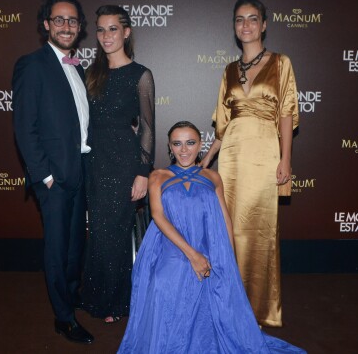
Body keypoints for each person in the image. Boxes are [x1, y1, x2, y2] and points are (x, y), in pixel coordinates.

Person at [118, 121, 305, 353]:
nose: (183, 149)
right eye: (177, 144)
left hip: (208, 245)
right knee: (163, 283)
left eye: (190, 143)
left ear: (201, 145)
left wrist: (229, 261)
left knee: (214, 285)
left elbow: (225, 219)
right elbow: (158, 216)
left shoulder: (213, 177)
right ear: (169, 147)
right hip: (170, 245)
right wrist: (193, 255)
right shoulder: (158, 175)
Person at [200, 0, 300, 328]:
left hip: (264, 156)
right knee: (231, 233)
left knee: (259, 232)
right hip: (232, 160)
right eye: (240, 19)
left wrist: (286, 158)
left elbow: (286, 114)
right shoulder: (229, 70)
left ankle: (259, 310)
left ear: (264, 24)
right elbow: (222, 125)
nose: (246, 25)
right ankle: (230, 308)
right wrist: (206, 161)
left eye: (252, 18)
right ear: (234, 26)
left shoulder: (281, 63)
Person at [12, 0, 93, 344]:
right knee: (58, 250)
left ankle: (71, 296)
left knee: (75, 246)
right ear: (46, 24)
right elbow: (24, 128)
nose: (66, 26)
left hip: (79, 171)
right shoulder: (32, 65)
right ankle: (63, 318)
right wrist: (44, 176)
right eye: (59, 20)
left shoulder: (78, 67)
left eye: (72, 21)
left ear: (79, 27)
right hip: (54, 179)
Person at [79, 5, 155, 324]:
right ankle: (95, 296)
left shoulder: (141, 74)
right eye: (101, 29)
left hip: (124, 161)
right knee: (97, 232)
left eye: (113, 28)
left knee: (118, 233)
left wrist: (142, 173)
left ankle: (117, 302)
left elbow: (148, 128)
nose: (106, 35)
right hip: (93, 159)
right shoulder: (90, 73)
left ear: (126, 32)